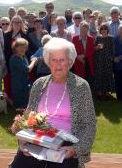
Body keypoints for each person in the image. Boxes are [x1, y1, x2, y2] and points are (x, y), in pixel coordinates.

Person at [10, 37, 96, 168]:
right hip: (37, 139)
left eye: (62, 60)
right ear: (48, 62)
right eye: (54, 60)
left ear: (70, 62)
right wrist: (23, 141)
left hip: (66, 144)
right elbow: (28, 116)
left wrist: (76, 149)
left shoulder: (81, 86)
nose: (58, 64)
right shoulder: (39, 84)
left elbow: (89, 124)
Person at [4, 15, 33, 104]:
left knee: (22, 82)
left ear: (21, 23)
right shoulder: (6, 34)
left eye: (19, 22)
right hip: (10, 62)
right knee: (9, 81)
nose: (17, 24)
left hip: (22, 61)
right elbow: (4, 49)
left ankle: (21, 102)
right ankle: (10, 101)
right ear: (11, 23)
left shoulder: (25, 34)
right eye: (15, 22)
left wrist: (31, 58)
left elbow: (30, 48)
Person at [9, 38, 37, 109]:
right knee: (20, 107)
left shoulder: (23, 56)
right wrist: (33, 62)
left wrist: (33, 62)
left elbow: (28, 67)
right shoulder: (15, 59)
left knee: (27, 104)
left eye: (24, 47)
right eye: (20, 47)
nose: (23, 49)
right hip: (18, 84)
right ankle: (7, 99)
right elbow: (27, 69)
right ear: (15, 48)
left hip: (25, 82)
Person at [94, 23, 115, 100]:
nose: (103, 30)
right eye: (102, 28)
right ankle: (99, 94)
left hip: (107, 60)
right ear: (100, 30)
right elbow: (94, 49)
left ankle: (107, 94)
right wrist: (97, 47)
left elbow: (113, 50)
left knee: (108, 76)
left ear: (107, 30)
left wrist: (111, 58)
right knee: (99, 76)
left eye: (105, 28)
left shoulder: (111, 38)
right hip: (99, 60)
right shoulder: (98, 38)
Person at [72, 21, 95, 86]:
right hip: (78, 61)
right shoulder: (75, 38)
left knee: (88, 80)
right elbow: (73, 50)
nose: (84, 32)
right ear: (80, 29)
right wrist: (77, 56)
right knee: (79, 80)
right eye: (82, 30)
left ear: (88, 30)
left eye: (86, 30)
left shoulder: (90, 38)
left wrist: (84, 55)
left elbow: (92, 50)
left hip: (88, 62)